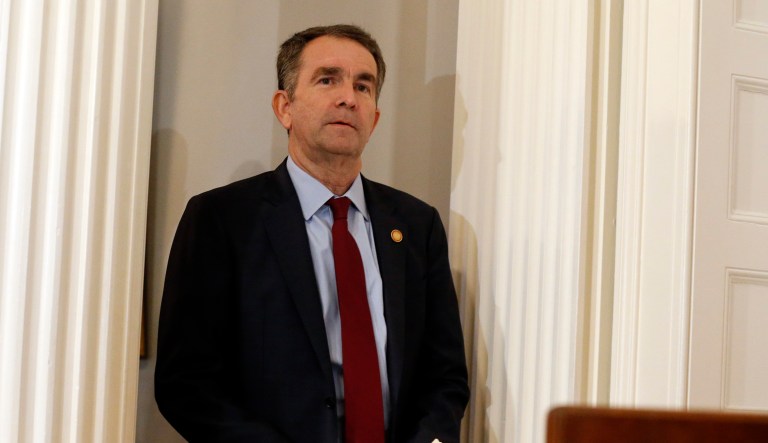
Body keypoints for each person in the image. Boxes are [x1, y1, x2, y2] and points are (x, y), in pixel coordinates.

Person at [155, 24, 469, 443]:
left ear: (374, 118)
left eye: (364, 86)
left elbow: (444, 375)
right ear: (284, 107)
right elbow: (187, 383)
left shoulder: (416, 225)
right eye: (328, 79)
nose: (348, 98)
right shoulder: (221, 219)